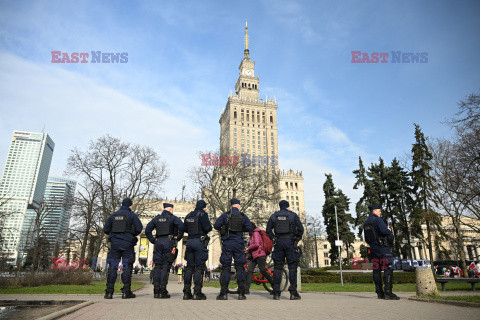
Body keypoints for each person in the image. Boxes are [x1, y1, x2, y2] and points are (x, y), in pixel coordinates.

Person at [103, 198, 143, 299]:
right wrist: (131, 234)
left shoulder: (113, 215)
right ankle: (126, 292)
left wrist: (115, 234)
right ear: (130, 206)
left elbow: (106, 229)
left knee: (112, 267)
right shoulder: (132, 215)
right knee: (127, 268)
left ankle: (109, 292)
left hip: (115, 245)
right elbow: (139, 228)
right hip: (127, 245)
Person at [214, 198, 254, 300]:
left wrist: (224, 228)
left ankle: (223, 293)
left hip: (227, 243)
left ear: (231, 205)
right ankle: (241, 294)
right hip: (238, 244)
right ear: (238, 205)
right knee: (240, 268)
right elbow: (250, 228)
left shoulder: (225, 215)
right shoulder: (242, 216)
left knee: (226, 268)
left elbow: (216, 225)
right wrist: (241, 228)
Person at [266, 200, 304, 300]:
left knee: (278, 268)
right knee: (292, 267)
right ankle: (293, 293)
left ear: (280, 207)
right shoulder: (293, 216)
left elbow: (268, 230)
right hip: (290, 243)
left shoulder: (274, 216)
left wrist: (273, 239)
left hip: (278, 243)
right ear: (287, 207)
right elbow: (301, 229)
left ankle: (276, 293)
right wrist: (296, 239)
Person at [145, 203, 184, 299]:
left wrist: (153, 240)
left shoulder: (156, 219)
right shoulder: (173, 218)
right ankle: (163, 291)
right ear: (170, 209)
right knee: (165, 267)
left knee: (157, 266)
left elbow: (147, 230)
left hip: (158, 243)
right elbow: (182, 227)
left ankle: (156, 290)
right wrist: (178, 237)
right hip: (168, 242)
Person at [363, 203, 400, 300]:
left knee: (376, 270)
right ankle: (388, 292)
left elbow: (366, 239)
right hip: (382, 248)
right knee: (388, 267)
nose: (380, 212)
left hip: (373, 249)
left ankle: (379, 293)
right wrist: (389, 229)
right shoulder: (378, 220)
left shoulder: (366, 222)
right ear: (374, 211)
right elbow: (385, 231)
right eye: (379, 210)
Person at [183, 200, 212, 300]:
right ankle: (197, 292)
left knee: (189, 267)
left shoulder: (188, 215)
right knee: (199, 267)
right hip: (199, 242)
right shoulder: (203, 214)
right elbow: (208, 227)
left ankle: (186, 292)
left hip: (190, 241)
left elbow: (184, 228)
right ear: (203, 207)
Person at [245, 222, 274, 294]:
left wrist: (248, 248)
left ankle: (274, 286)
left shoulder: (255, 233)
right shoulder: (251, 235)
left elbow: (257, 244)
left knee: (263, 270)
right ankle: (246, 290)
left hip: (260, 254)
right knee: (249, 271)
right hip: (254, 255)